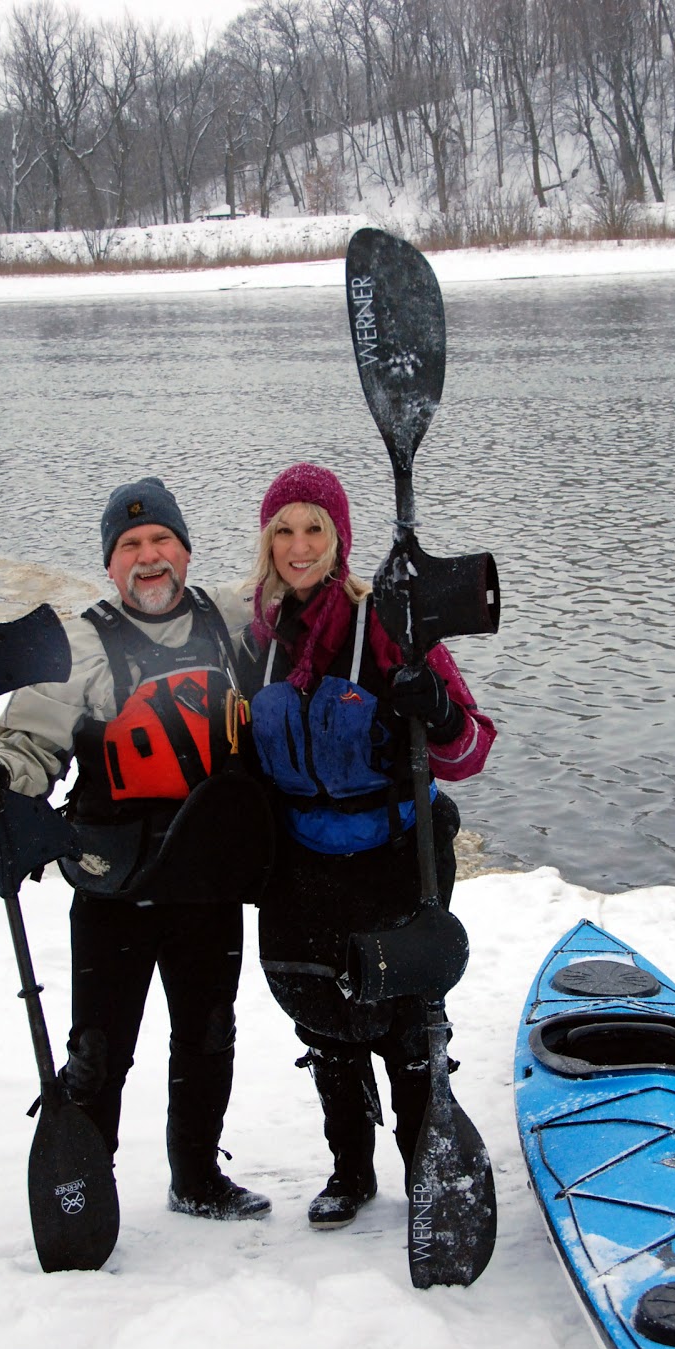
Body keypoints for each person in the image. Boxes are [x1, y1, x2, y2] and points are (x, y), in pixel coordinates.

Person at [0, 476, 272, 1221]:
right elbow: (31, 741)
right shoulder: (81, 645)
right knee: (99, 1051)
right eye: (129, 545)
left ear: (185, 552)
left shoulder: (229, 620)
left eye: (160, 540)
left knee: (207, 1036)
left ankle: (195, 1178)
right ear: (110, 564)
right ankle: (86, 1190)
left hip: (207, 880)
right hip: (113, 885)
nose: (148, 556)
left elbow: (304, 591)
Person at [239, 463, 496, 1229]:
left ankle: (429, 1166)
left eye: (313, 527)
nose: (298, 545)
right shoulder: (257, 637)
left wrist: (438, 710)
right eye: (283, 529)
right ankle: (350, 1170)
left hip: (390, 855)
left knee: (406, 1023)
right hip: (301, 862)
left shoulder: (386, 622)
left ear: (340, 538)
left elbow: (470, 749)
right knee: (323, 1020)